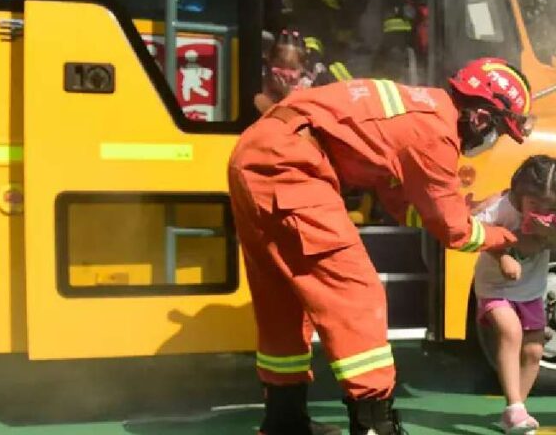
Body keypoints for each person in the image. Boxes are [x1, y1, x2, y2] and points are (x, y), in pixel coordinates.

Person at [228, 57, 533, 435]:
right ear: (480, 118)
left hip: (257, 155)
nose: (492, 142)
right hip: (292, 166)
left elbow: (400, 204)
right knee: (358, 295)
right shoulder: (436, 134)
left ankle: (284, 422)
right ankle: (375, 426)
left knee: (283, 301)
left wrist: (458, 211)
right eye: (498, 131)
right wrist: (503, 237)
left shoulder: (421, 110)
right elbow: (454, 232)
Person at [471, 155, 556, 434]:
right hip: (495, 286)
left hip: (531, 289)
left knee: (533, 350)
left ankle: (516, 409)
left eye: (551, 207)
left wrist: (550, 233)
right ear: (520, 193)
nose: (542, 210)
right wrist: (503, 257)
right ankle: (515, 409)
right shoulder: (504, 207)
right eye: (534, 204)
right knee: (511, 332)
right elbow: (477, 232)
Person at [255, 29, 312, 114]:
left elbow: (299, 119)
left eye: (292, 68)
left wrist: (287, 94)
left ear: (302, 68)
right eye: (279, 66)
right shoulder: (259, 86)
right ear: (269, 61)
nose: (285, 73)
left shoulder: (306, 90)